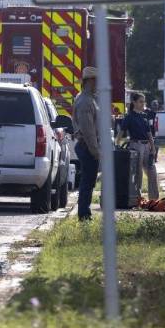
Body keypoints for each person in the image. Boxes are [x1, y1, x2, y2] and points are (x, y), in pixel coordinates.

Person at [72, 66, 100, 221]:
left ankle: (85, 212)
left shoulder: (87, 98)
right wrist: (96, 151)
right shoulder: (85, 101)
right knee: (87, 183)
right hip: (87, 146)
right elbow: (88, 131)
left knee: (89, 182)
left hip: (87, 145)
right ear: (90, 81)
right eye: (97, 80)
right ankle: (84, 214)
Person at [120, 92, 159, 201]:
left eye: (144, 102)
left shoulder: (144, 116)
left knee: (152, 172)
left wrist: (153, 147)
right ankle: (137, 199)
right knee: (137, 174)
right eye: (141, 102)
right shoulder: (129, 117)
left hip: (147, 146)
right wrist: (117, 144)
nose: (143, 104)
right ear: (134, 102)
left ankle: (154, 199)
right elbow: (121, 132)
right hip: (135, 146)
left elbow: (149, 133)